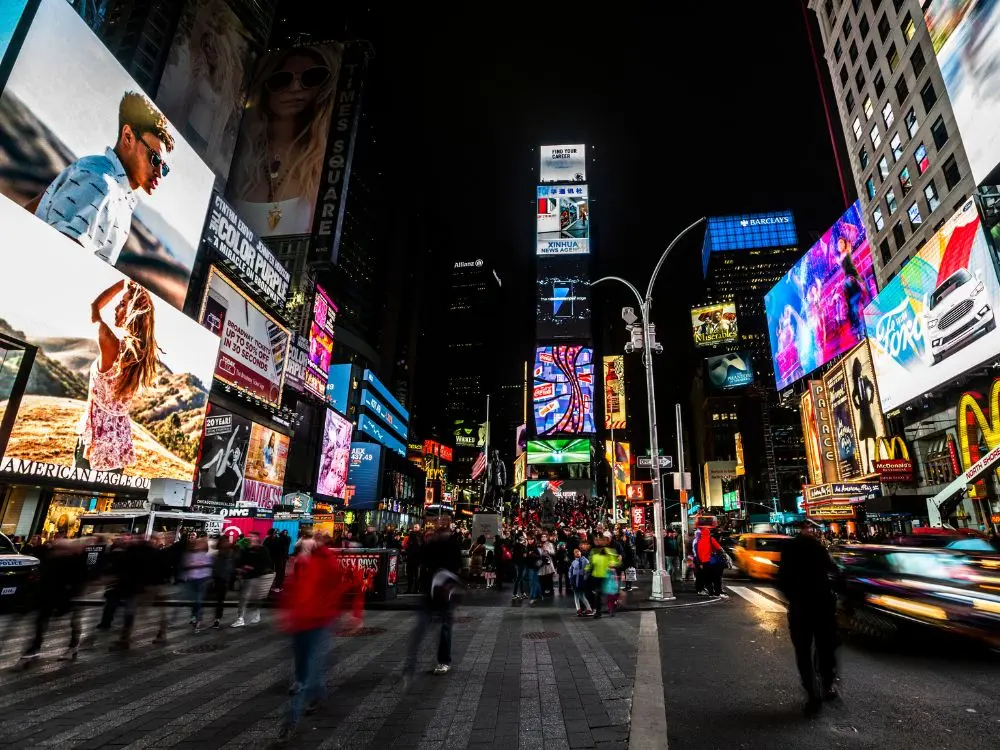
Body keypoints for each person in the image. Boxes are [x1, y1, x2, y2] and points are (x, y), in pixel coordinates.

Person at [30, 91, 173, 265]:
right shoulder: (103, 184)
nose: (159, 171)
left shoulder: (106, 180)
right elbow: (62, 263)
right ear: (128, 136)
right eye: (155, 159)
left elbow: (34, 209)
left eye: (164, 167)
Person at [229, 45, 341, 236]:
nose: (295, 88)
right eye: (282, 80)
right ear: (266, 88)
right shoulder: (236, 152)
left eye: (311, 78)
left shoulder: (324, 168)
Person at [275, 536, 363, 744]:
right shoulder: (297, 564)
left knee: (303, 676)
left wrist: (351, 614)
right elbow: (290, 593)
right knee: (305, 670)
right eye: (303, 543)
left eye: (310, 542)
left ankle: (290, 721)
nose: (306, 544)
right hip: (299, 623)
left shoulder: (325, 561)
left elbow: (337, 587)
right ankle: (317, 694)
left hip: (319, 622)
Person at [74, 279, 159, 474]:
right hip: (118, 448)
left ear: (132, 314)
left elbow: (94, 306)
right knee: (105, 504)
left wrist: (125, 280)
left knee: (75, 501)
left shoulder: (110, 343)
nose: (116, 308)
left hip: (93, 445)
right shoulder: (141, 358)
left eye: (122, 304)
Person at [776, 521, 840, 717]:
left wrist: (794, 598)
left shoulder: (789, 549)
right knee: (825, 649)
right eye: (809, 529)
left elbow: (782, 578)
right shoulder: (818, 548)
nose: (810, 531)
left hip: (801, 608)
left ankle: (813, 695)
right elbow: (835, 572)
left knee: (804, 653)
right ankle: (826, 687)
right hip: (822, 606)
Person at [404, 521, 462, 676]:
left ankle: (414, 663)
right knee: (439, 627)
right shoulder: (438, 545)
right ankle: (439, 661)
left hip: (439, 592)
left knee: (428, 628)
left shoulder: (445, 546)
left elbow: (417, 557)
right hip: (437, 591)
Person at [231, 532, 274, 628]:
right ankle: (246, 617)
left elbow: (267, 563)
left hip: (256, 577)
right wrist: (241, 568)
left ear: (257, 538)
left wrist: (253, 568)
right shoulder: (247, 549)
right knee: (246, 598)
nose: (250, 537)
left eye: (252, 536)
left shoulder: (262, 550)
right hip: (248, 577)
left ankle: (244, 617)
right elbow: (241, 561)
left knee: (250, 598)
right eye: (249, 536)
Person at [182, 536, 212, 631]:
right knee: (195, 601)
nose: (198, 545)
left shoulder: (207, 556)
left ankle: (198, 620)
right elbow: (187, 565)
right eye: (197, 543)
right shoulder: (191, 555)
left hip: (202, 581)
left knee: (199, 601)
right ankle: (193, 616)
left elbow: (208, 569)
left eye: (200, 543)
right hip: (192, 580)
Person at [211, 535, 235, 629]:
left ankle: (217, 618)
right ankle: (217, 618)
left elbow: (231, 566)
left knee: (220, 600)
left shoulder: (228, 553)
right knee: (219, 600)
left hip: (222, 578)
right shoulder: (218, 553)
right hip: (219, 578)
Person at [569, 547, 594, 616]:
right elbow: (570, 570)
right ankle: (581, 609)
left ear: (580, 552)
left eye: (578, 552)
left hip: (581, 580)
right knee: (577, 595)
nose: (577, 553)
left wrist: (585, 578)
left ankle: (585, 609)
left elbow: (588, 570)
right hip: (575, 580)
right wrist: (571, 578)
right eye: (575, 552)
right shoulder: (574, 562)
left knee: (581, 595)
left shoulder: (585, 560)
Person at [404, 525, 423, 595]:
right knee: (411, 575)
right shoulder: (412, 536)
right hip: (412, 557)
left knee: (415, 575)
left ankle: (415, 589)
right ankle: (410, 589)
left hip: (416, 558)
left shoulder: (420, 536)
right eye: (414, 527)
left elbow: (420, 546)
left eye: (416, 527)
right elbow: (408, 545)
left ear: (419, 528)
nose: (415, 528)